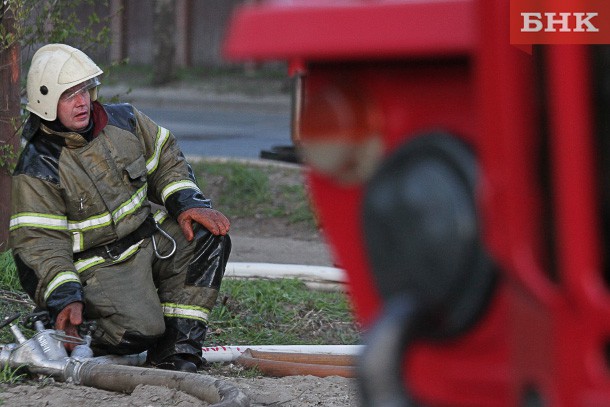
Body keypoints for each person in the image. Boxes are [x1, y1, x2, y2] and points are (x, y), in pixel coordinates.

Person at [9, 44, 231, 373]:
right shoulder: (39, 166)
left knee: (206, 238)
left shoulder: (125, 122)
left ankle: (176, 351)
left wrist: (187, 203)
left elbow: (167, 161)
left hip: (149, 240)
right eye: (69, 93)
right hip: (98, 268)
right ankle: (72, 332)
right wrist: (65, 295)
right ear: (45, 100)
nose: (82, 101)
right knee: (139, 330)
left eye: (84, 89)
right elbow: (39, 243)